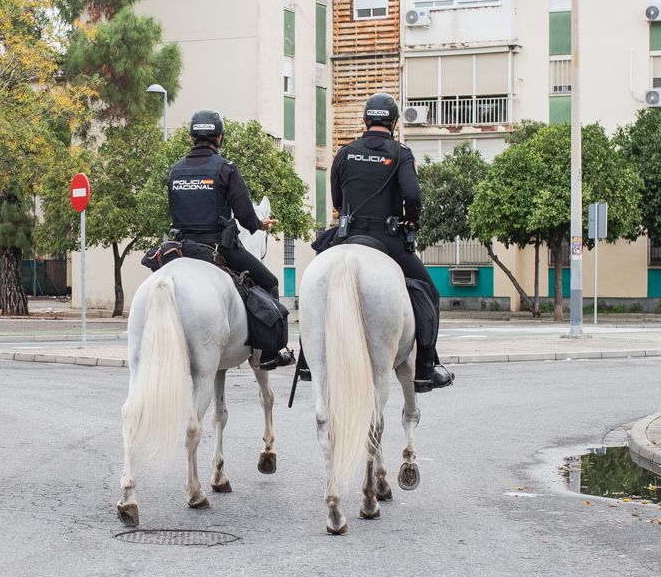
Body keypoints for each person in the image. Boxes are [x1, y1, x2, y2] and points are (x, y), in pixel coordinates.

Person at [306, 92, 453, 392]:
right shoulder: (401, 154)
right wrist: (411, 220)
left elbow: (337, 199)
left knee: (316, 284)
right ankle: (426, 368)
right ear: (394, 123)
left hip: (347, 236)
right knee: (431, 294)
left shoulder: (345, 153)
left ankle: (308, 362)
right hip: (387, 241)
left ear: (364, 121)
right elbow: (412, 196)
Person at [167, 109, 294, 370]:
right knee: (270, 281)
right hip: (218, 248)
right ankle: (270, 351)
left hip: (180, 249)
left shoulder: (175, 171)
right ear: (220, 138)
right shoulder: (226, 169)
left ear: (191, 138)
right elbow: (246, 217)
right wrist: (260, 224)